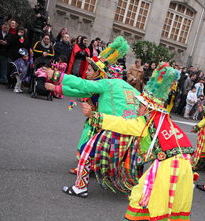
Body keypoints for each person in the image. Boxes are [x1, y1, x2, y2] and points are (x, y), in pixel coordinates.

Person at [84, 62, 195, 221]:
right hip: (183, 163)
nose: (138, 108)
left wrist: (95, 116)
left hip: (170, 163)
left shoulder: (147, 121)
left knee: (140, 193)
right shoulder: (163, 118)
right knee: (162, 197)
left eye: (141, 105)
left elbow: (123, 125)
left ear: (149, 108)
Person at [44, 36, 140, 197]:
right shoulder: (130, 88)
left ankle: (80, 187)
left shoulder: (106, 83)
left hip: (109, 127)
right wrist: (58, 88)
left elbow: (82, 86)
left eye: (90, 70)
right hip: (132, 132)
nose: (87, 72)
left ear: (104, 73)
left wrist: (57, 76)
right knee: (129, 160)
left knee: (86, 151)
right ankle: (134, 189)